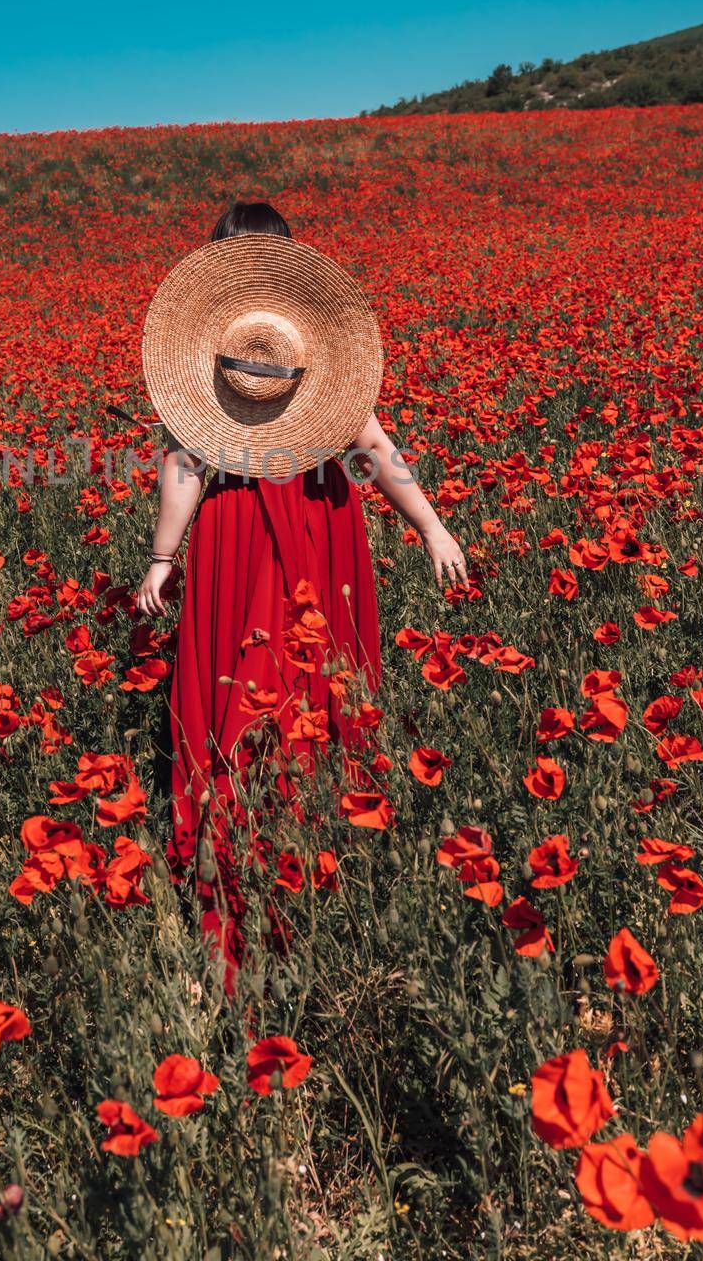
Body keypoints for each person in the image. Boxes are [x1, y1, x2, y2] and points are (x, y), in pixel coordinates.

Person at [136, 199, 468, 981]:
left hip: (231, 530)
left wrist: (161, 558)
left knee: (242, 685)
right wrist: (430, 525)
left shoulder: (206, 357)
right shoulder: (318, 351)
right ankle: (316, 853)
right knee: (311, 681)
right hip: (322, 517)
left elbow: (185, 464)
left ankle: (242, 852)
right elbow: (375, 446)